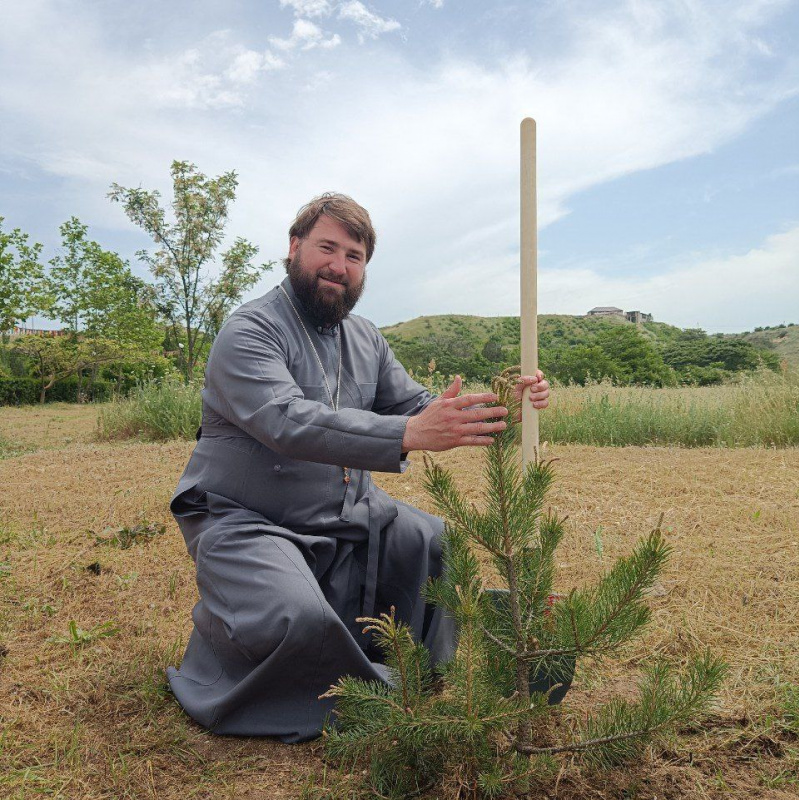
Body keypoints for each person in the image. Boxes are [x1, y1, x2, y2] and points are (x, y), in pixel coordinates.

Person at [166, 193, 551, 742]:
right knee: (298, 618)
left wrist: (506, 405)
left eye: (354, 256)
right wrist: (410, 434)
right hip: (247, 519)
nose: (338, 265)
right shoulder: (248, 330)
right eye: (327, 248)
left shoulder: (366, 336)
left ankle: (421, 679)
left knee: (437, 540)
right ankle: (359, 691)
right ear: (295, 247)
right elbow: (286, 420)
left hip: (349, 511)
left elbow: (416, 408)